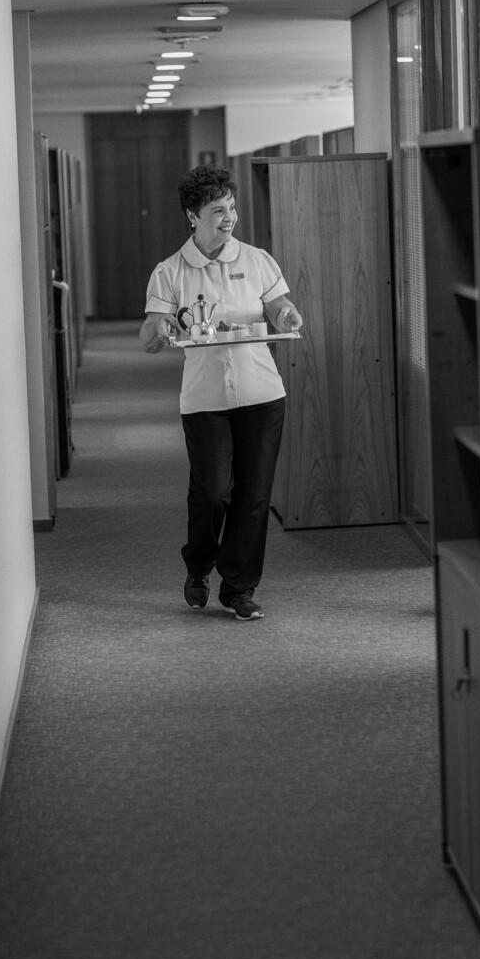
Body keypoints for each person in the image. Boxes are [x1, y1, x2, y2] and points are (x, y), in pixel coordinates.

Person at [139, 163, 302, 621]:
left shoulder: (257, 260)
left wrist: (287, 314)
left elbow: (278, 306)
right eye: (217, 211)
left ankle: (238, 588)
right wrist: (159, 324)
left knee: (253, 495)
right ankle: (198, 566)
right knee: (212, 491)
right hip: (205, 398)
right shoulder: (169, 273)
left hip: (262, 392)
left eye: (231, 207)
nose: (228, 218)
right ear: (193, 216)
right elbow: (150, 340)